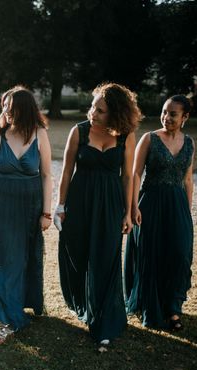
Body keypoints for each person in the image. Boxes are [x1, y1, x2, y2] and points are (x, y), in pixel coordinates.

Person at [55, 82, 141, 345]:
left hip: (110, 204)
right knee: (79, 254)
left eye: (100, 110)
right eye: (93, 106)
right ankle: (84, 305)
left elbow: (127, 176)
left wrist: (128, 212)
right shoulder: (79, 131)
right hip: (80, 201)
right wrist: (61, 206)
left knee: (106, 257)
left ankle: (104, 320)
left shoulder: (126, 136)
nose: (92, 112)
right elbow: (67, 172)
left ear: (114, 113)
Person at [0, 86, 53, 340]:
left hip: (29, 206)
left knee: (21, 258)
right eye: (4, 106)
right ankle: (9, 315)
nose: (6, 110)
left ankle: (14, 303)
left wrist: (47, 213)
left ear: (25, 109)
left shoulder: (40, 134)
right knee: (2, 258)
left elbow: (47, 175)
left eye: (12, 106)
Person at [124, 95, 195, 331]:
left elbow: (187, 179)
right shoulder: (150, 139)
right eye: (164, 112)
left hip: (177, 206)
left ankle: (173, 307)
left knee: (179, 254)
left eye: (173, 114)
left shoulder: (190, 143)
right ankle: (150, 307)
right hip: (151, 202)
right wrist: (133, 207)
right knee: (151, 253)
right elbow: (135, 174)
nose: (166, 117)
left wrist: (187, 211)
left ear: (185, 117)